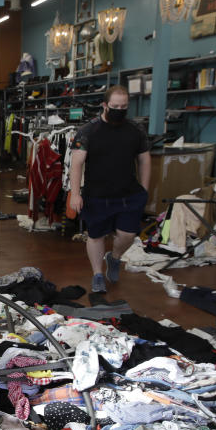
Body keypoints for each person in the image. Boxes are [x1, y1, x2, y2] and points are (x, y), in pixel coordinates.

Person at [68, 85, 151, 293]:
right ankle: (97, 274)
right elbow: (76, 163)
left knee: (128, 235)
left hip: (128, 194)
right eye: (115, 106)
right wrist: (75, 194)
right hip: (97, 194)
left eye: (124, 106)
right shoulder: (88, 131)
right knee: (95, 235)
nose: (119, 110)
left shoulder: (135, 130)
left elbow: (144, 160)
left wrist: (145, 189)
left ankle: (114, 258)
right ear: (105, 105)